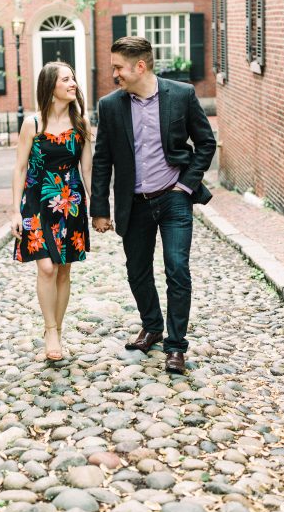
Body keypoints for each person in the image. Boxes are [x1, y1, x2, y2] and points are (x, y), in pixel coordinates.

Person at [91, 36, 216, 375]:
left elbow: (206, 143)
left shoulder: (181, 95)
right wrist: (99, 209)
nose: (114, 73)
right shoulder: (110, 106)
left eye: (118, 67)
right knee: (138, 270)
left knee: (177, 268)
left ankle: (176, 346)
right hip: (134, 203)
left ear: (140, 66)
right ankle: (152, 325)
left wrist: (185, 185)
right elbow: (102, 160)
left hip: (173, 198)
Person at [11, 61, 92, 362]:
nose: (73, 84)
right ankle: (51, 330)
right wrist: (14, 211)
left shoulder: (81, 123)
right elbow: (19, 169)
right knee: (46, 267)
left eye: (73, 78)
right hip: (37, 203)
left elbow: (87, 170)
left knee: (63, 269)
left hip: (70, 203)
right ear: (51, 87)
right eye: (66, 79)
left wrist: (96, 205)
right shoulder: (33, 124)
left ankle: (57, 327)